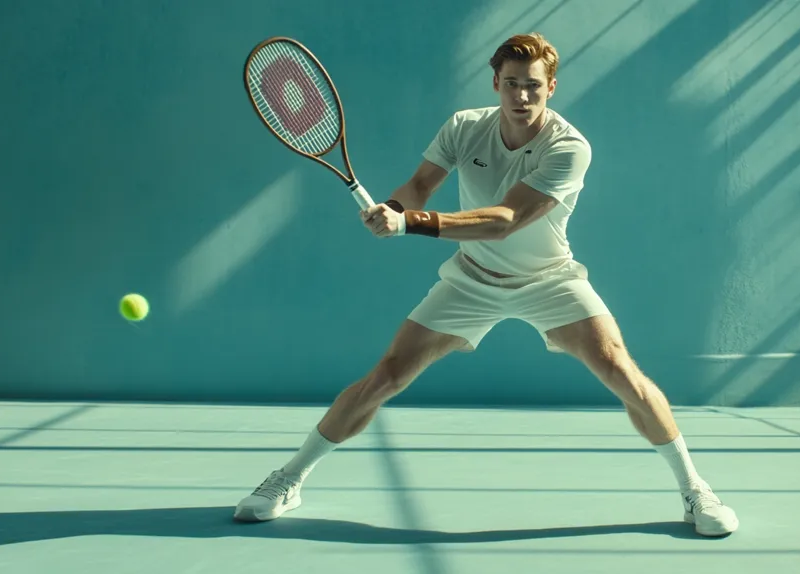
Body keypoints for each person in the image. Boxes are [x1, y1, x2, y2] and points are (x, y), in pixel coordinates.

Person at [234, 32, 739, 537]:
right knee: (386, 376)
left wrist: (412, 224)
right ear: (496, 82)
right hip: (472, 279)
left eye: (534, 87)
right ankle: (290, 478)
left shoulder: (569, 148)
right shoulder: (465, 126)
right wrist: (393, 207)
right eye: (512, 84)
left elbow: (504, 219)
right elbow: (419, 186)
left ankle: (696, 490)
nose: (522, 96)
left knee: (618, 368)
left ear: (552, 87)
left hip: (549, 279)